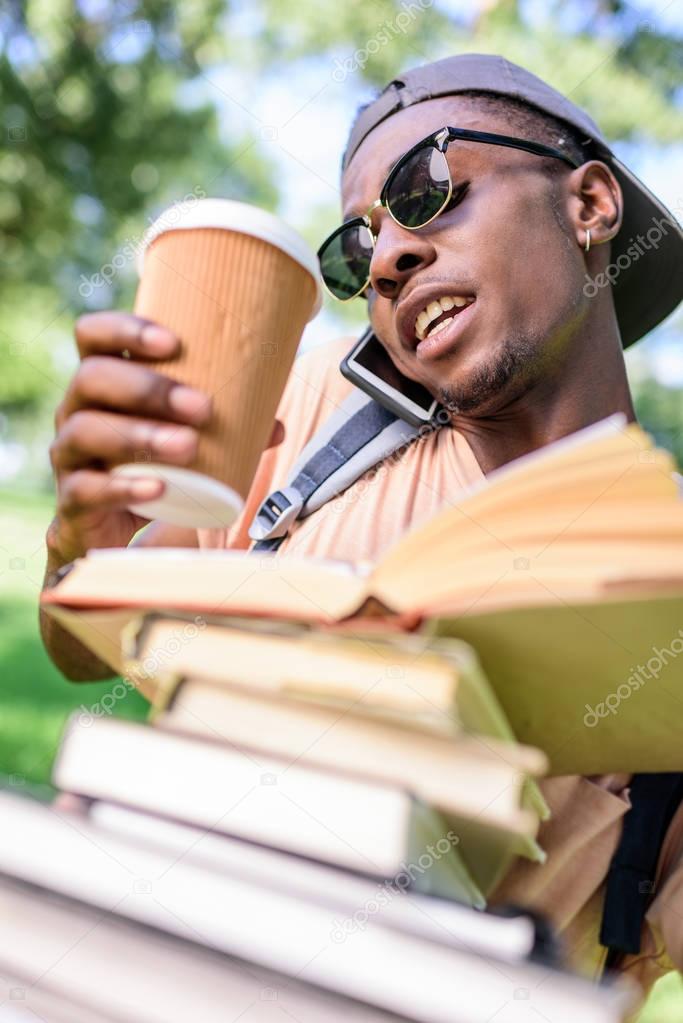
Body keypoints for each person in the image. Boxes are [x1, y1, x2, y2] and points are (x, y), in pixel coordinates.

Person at [41, 54, 683, 1000]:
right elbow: (82, 651)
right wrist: (82, 537)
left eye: (427, 188)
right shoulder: (295, 414)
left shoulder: (663, 583)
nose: (384, 259)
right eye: (356, 248)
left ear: (589, 203)